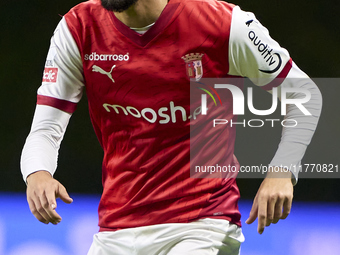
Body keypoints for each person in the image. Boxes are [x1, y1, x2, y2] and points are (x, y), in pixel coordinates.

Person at [21, 0, 322, 254]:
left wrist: (282, 172)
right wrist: (38, 173)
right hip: (116, 226)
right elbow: (47, 125)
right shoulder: (79, 27)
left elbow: (305, 93)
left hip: (203, 224)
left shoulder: (224, 23)